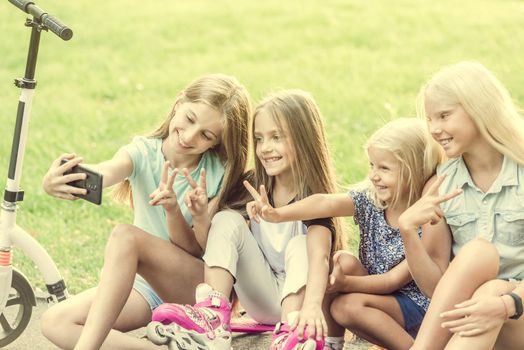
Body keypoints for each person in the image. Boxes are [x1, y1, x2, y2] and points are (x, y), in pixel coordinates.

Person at [40, 74, 252, 350]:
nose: (189, 137)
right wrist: (57, 181)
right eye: (189, 119)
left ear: (217, 142)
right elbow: (105, 172)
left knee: (126, 236)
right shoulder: (142, 152)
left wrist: (180, 212)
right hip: (145, 289)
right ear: (178, 104)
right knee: (55, 321)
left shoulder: (216, 174)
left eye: (206, 135)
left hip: (197, 288)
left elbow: (197, 250)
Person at [149, 89, 345, 350]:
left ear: (304, 139)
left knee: (301, 244)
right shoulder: (250, 186)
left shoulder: (315, 199)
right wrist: (200, 216)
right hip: (262, 297)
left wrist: (311, 308)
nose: (265, 148)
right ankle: (214, 318)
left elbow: (319, 256)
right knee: (227, 219)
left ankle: (288, 334)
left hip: (301, 305)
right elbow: (217, 248)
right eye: (259, 139)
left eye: (276, 137)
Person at [248, 118, 444, 350]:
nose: (373, 175)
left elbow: (392, 281)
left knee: (346, 307)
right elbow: (324, 203)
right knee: (340, 260)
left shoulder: (423, 218)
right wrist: (277, 214)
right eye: (372, 165)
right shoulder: (372, 201)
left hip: (416, 306)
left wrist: (344, 283)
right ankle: (332, 343)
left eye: (384, 168)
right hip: (381, 296)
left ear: (413, 172)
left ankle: (413, 347)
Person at [398, 61, 524, 350]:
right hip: (473, 319)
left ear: (479, 109)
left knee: (493, 289)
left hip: (518, 313)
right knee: (480, 258)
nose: (434, 129)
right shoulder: (441, 187)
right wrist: (408, 231)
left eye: (444, 116)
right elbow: (436, 290)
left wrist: (507, 304)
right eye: (430, 119)